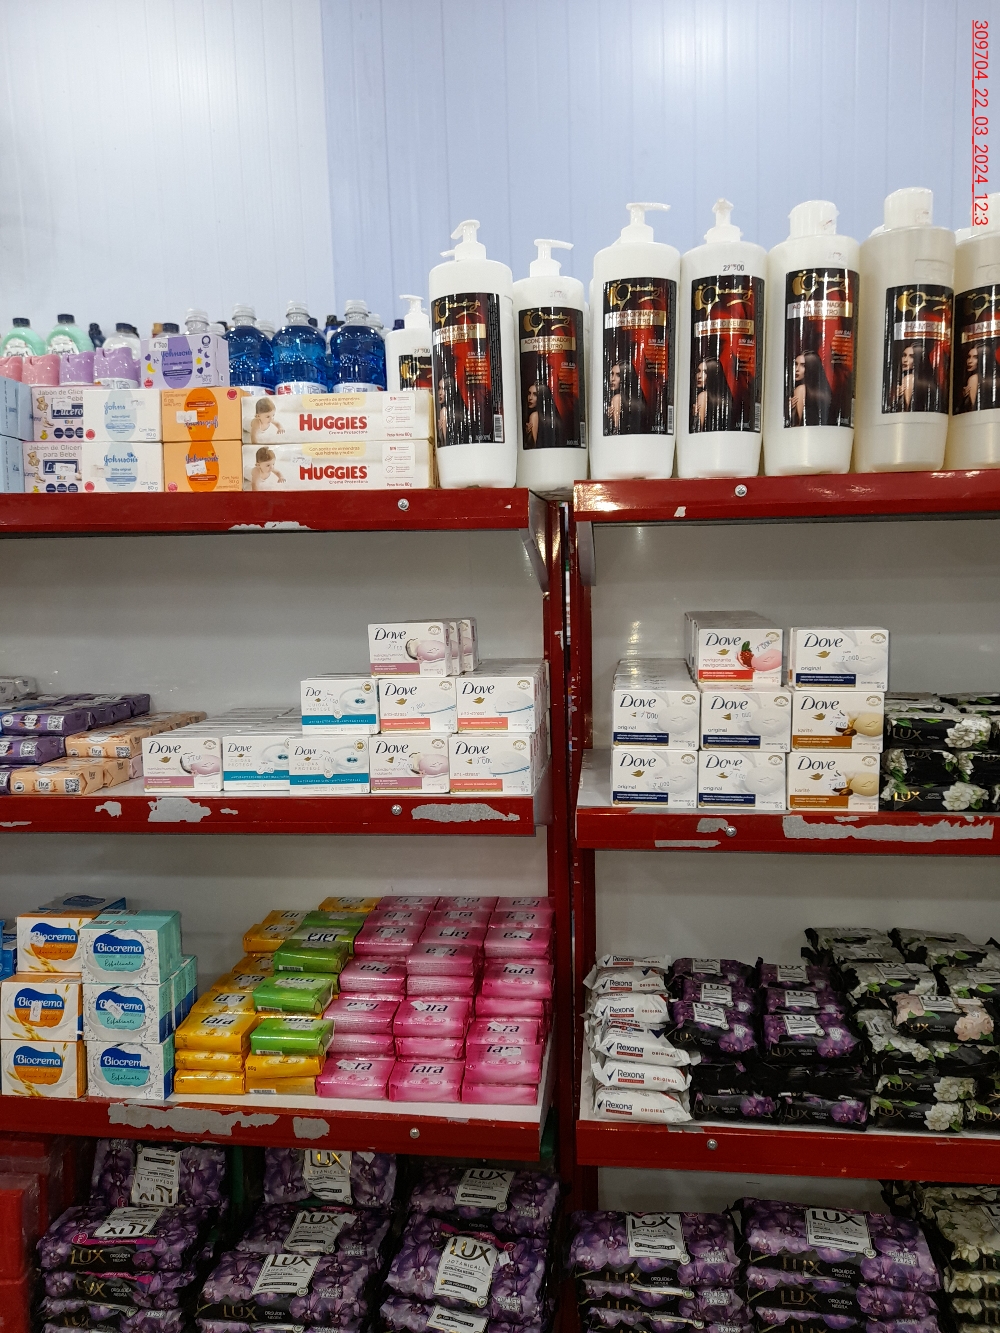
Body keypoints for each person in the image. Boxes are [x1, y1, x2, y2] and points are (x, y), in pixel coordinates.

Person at [788, 349, 833, 426]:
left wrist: (786, 412)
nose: (797, 369)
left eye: (803, 365)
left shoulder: (801, 390)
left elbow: (796, 426)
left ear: (811, 367)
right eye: (795, 364)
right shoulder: (825, 393)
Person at [691, 356, 734, 431]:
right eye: (698, 371)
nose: (699, 376)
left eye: (705, 372)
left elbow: (698, 431)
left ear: (713, 374)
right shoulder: (726, 398)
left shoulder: (703, 396)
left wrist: (694, 416)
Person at [892, 343, 938, 412]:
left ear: (919, 359)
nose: (905, 360)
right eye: (904, 355)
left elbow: (907, 411)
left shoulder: (908, 379)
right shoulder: (930, 382)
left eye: (911, 356)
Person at [524, 380, 567, 448]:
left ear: (542, 397)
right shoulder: (555, 419)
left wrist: (527, 436)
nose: (530, 398)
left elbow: (533, 447)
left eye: (535, 395)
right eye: (529, 393)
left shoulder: (534, 416)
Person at [960, 342, 982, 412]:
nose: (969, 361)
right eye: (969, 357)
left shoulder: (973, 379)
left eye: (975, 357)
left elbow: (974, 409)